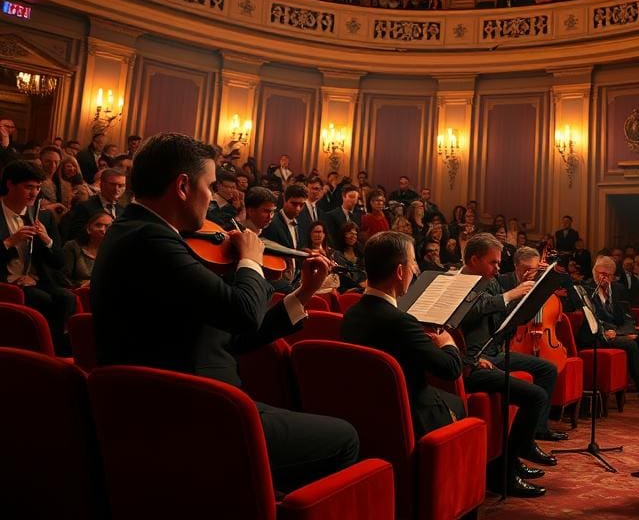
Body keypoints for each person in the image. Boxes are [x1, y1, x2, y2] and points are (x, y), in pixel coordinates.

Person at [91, 133, 359, 492]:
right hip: (197, 414)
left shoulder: (138, 231)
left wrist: (303, 293)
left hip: (182, 401)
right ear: (183, 186)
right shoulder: (151, 240)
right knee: (344, 437)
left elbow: (232, 334)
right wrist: (250, 258)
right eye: (211, 185)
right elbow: (243, 312)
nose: (217, 197)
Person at [459, 233, 562, 498]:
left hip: (491, 352)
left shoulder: (491, 282)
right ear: (474, 259)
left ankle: (524, 444)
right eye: (493, 263)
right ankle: (504, 472)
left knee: (546, 369)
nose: (497, 268)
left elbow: (502, 320)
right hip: (472, 362)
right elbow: (472, 310)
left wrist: (521, 299)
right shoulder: (457, 283)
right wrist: (510, 294)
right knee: (535, 396)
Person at [341, 230, 465, 436]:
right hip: (408, 413)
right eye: (413, 263)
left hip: (367, 408)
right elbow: (450, 369)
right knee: (458, 404)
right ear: (400, 271)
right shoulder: (401, 322)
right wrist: (447, 341)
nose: (415, 270)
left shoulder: (351, 313)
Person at [1, 160, 75, 352]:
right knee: (41, 299)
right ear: (10, 184)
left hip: (36, 279)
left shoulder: (43, 217)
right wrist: (10, 242)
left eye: (38, 187)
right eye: (28, 187)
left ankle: (53, 353)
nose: (34, 193)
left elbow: (59, 262)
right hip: (6, 280)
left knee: (67, 298)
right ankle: (34, 351)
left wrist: (47, 239)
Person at [579, 256, 639, 399]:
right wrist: (621, 335)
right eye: (600, 274)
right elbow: (592, 319)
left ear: (613, 276)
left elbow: (624, 316)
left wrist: (621, 332)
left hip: (615, 330)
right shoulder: (587, 289)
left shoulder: (617, 289)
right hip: (601, 334)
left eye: (607, 275)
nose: (603, 278)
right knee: (630, 343)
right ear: (594, 272)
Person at [61, 210, 112, 287]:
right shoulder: (73, 246)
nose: (102, 229)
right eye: (98, 225)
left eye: (107, 226)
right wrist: (82, 285)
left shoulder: (113, 250)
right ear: (88, 229)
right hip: (78, 292)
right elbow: (63, 278)